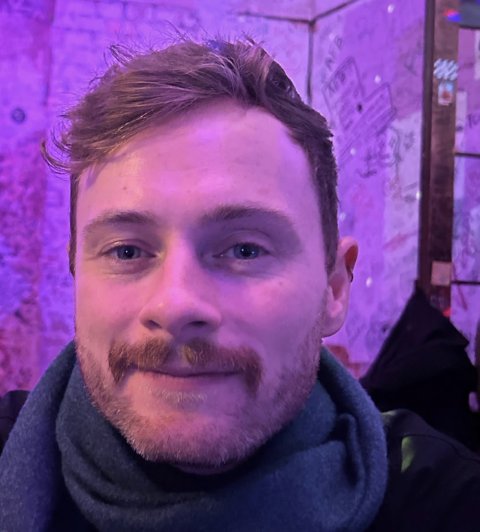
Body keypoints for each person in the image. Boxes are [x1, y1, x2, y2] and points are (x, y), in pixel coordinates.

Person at [0, 37, 479, 531]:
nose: (175, 304)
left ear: (334, 287)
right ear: (77, 273)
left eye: (245, 250)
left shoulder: (445, 502)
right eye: (127, 251)